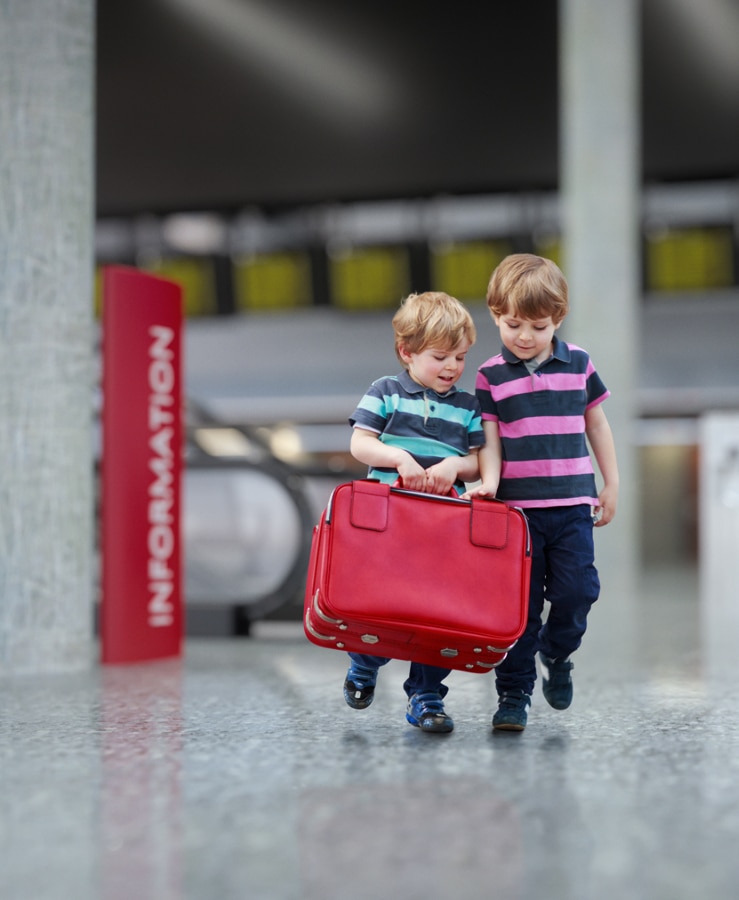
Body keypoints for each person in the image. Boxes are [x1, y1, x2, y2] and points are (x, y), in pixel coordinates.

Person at [465, 253, 619, 731]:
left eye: (537, 325)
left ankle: (558, 653)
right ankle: (513, 695)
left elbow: (596, 422)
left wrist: (611, 482)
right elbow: (489, 437)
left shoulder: (579, 364)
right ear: (495, 315)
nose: (525, 336)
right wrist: (487, 485)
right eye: (512, 324)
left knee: (578, 592)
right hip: (517, 514)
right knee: (519, 611)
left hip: (573, 505)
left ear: (558, 318)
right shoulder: (491, 375)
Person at [344, 291, 484, 734]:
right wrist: (399, 458)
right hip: (390, 527)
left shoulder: (467, 407)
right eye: (440, 356)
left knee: (437, 616)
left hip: (443, 530)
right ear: (407, 352)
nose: (452, 367)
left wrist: (454, 466)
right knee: (383, 605)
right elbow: (360, 443)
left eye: (460, 357)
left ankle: (426, 695)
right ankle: (365, 663)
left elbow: (479, 460)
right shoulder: (385, 391)